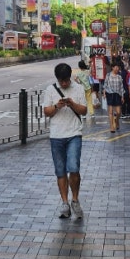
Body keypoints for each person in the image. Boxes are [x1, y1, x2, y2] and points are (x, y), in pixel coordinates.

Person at [42, 62, 87, 218]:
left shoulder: (78, 88)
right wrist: (57, 106)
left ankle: (75, 199)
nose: (64, 84)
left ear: (70, 77)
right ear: (57, 79)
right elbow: (46, 111)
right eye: (61, 81)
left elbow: (84, 110)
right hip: (56, 136)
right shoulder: (50, 90)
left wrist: (72, 104)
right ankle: (65, 203)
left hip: (74, 134)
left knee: (73, 168)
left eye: (66, 80)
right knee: (60, 171)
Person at [104, 62, 124, 132]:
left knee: (118, 112)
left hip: (117, 94)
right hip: (110, 94)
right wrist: (104, 93)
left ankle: (117, 120)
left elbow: (121, 87)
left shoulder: (119, 76)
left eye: (118, 67)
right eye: (116, 67)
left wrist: (122, 96)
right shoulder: (108, 75)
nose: (117, 68)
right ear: (112, 67)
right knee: (110, 111)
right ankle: (111, 126)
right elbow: (105, 84)